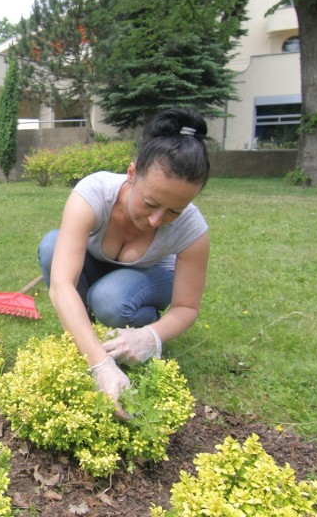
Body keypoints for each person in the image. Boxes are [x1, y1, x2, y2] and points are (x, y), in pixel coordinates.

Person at [38, 108, 212, 420]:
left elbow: (187, 307)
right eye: (150, 203)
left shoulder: (193, 229)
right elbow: (61, 284)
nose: (157, 220)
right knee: (52, 245)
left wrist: (152, 336)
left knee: (110, 298)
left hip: (150, 280)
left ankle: (129, 327)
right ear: (131, 174)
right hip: (101, 271)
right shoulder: (94, 192)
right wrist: (100, 366)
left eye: (175, 210)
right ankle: (94, 340)